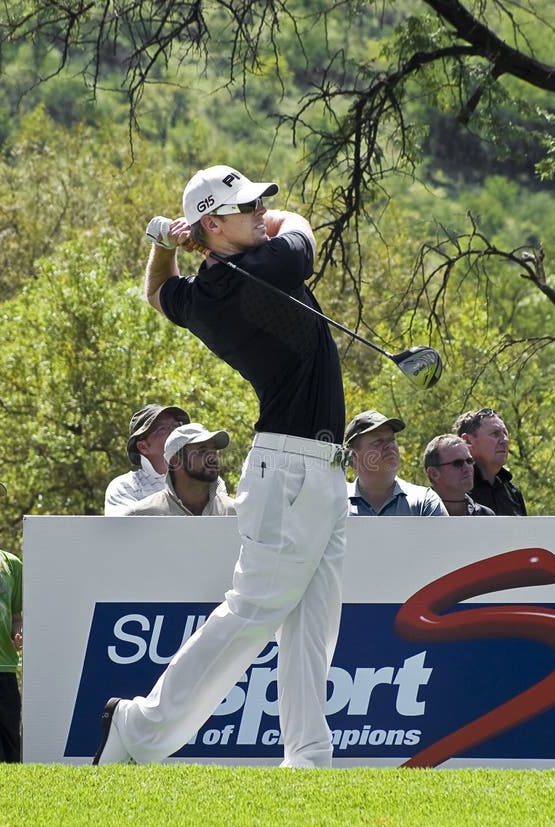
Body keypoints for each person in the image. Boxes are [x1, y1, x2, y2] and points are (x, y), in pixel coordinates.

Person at [93, 163, 349, 768]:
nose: (262, 213)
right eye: (247, 208)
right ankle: (139, 726)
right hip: (292, 468)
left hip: (314, 466)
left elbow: (158, 293)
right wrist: (203, 240)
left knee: (312, 622)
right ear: (213, 222)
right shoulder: (267, 264)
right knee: (252, 613)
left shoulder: (206, 293)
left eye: (260, 204)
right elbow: (301, 227)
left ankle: (308, 758)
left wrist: (167, 244)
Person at [344, 410, 448, 516]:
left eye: (391, 439)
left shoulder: (424, 502)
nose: (389, 445)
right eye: (378, 442)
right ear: (354, 457)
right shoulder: (337, 504)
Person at [123, 422, 236, 517]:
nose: (212, 457)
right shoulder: (139, 515)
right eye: (202, 451)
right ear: (175, 461)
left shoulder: (235, 513)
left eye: (214, 450)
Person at [104, 403, 190, 515]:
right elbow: (121, 528)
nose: (175, 432)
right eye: (162, 429)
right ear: (143, 447)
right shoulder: (125, 486)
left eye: (176, 426)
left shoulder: (204, 482)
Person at [0, 480, 23, 762]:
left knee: (10, 746)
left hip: (3, 669)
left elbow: (16, 617)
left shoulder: (11, 563)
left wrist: (19, 633)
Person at [453, 408, 527, 516]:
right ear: (468, 441)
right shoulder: (455, 490)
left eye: (505, 433)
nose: (504, 440)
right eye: (495, 434)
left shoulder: (513, 493)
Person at [423, 434, 495, 516]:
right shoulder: (416, 513)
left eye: (469, 461)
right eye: (458, 463)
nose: (468, 468)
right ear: (434, 474)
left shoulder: (485, 516)